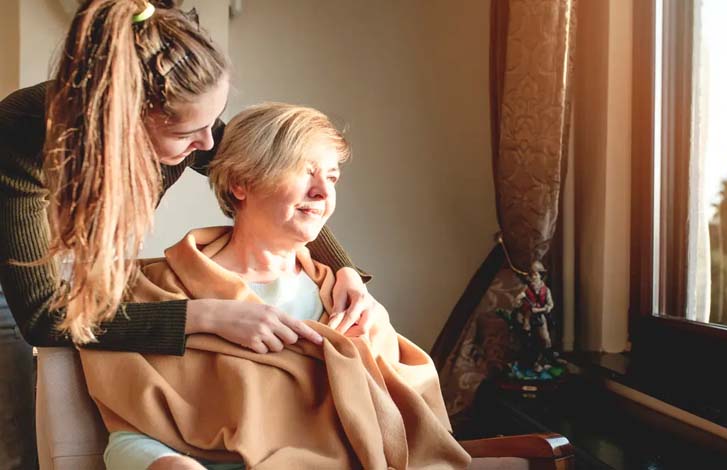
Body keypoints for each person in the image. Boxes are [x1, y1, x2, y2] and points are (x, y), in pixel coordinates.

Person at [0, 1, 375, 465]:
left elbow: (258, 174)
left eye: (210, 123)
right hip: (11, 281)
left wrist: (345, 269)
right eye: (188, 135)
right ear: (126, 123)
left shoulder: (182, 116)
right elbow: (42, 318)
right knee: (17, 440)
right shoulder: (21, 135)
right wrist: (205, 316)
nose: (209, 145)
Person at [80, 102, 470, 469]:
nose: (323, 192)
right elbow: (130, 432)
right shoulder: (161, 289)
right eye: (303, 171)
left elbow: (407, 428)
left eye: (331, 176)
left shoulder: (346, 301)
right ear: (241, 183)